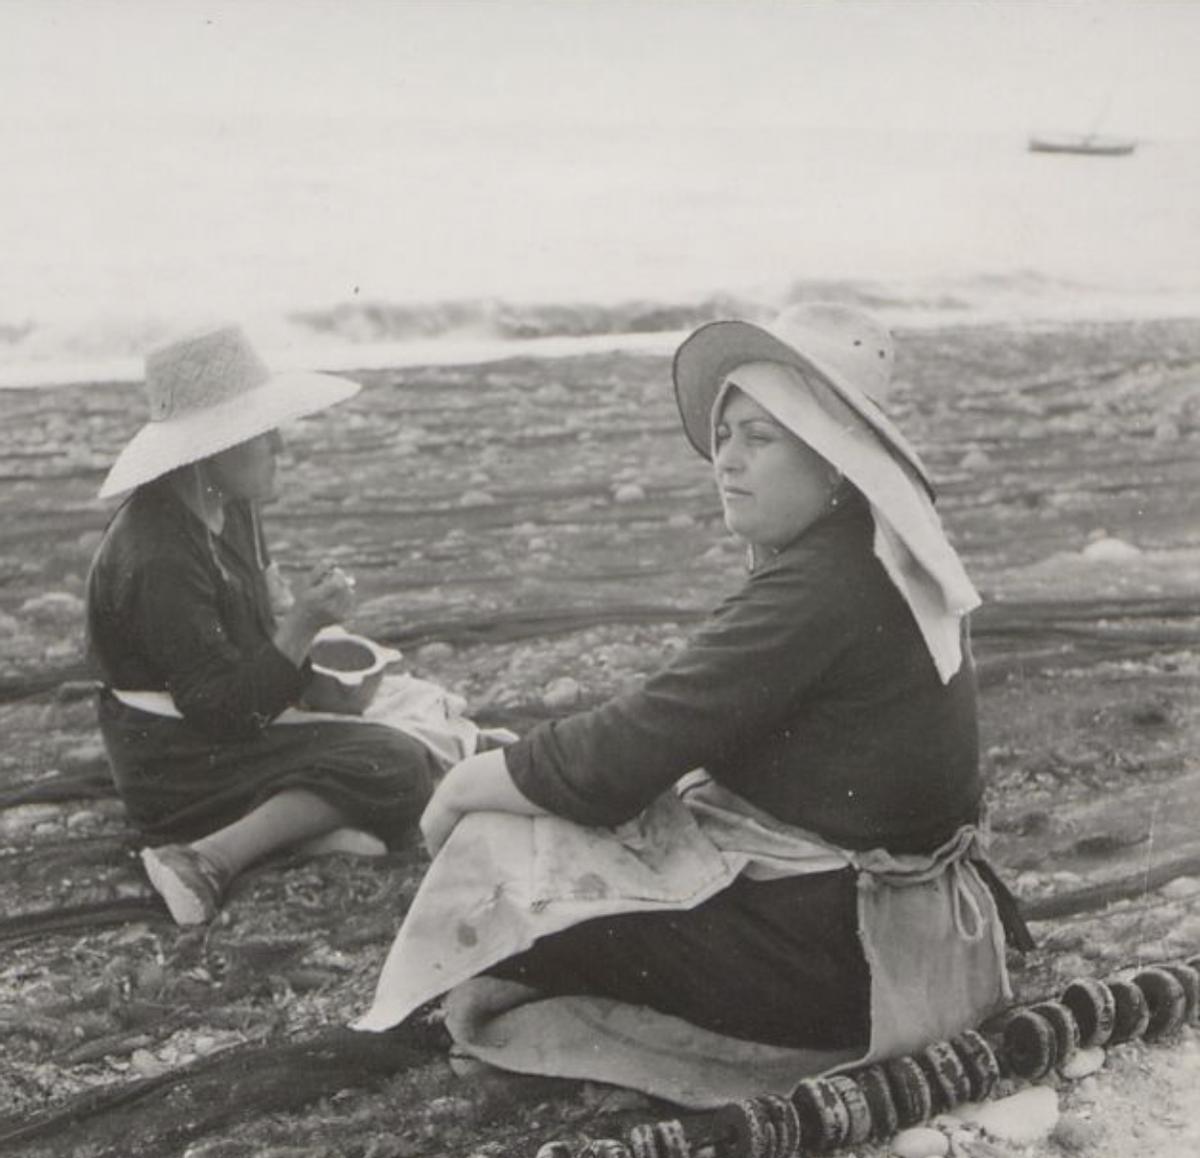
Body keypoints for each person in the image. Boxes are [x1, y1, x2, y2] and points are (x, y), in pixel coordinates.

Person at [356, 304, 1029, 1104]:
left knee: (505, 861)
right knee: (555, 857)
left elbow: (618, 759)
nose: (727, 461)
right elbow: (674, 720)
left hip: (842, 962)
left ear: (835, 464)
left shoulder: (825, 584)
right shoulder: (871, 556)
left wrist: (465, 784)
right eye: (724, 436)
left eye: (760, 438)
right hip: (891, 932)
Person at [86, 326, 441, 927]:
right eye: (261, 433)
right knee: (400, 763)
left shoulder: (225, 504)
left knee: (420, 705)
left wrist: (305, 652)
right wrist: (303, 624)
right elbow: (222, 714)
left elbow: (248, 635)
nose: (279, 446)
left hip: (218, 724)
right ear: (210, 449)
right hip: (175, 763)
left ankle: (290, 826)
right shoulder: (159, 554)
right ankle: (205, 856)